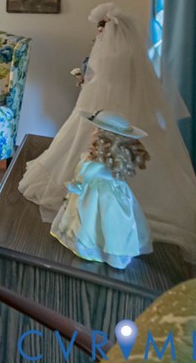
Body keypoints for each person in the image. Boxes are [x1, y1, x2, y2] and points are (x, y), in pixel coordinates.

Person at [19, 2, 196, 266]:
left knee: (84, 150)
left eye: (100, 30)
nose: (98, 36)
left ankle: (92, 217)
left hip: (105, 105)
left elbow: (101, 81)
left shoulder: (111, 54)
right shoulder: (131, 53)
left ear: (106, 30)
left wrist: (87, 83)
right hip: (116, 105)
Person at [50, 111, 152, 270]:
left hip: (99, 197)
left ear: (105, 139)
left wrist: (78, 184)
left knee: (100, 221)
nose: (93, 133)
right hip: (101, 194)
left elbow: (85, 175)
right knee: (100, 220)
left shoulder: (97, 164)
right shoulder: (102, 160)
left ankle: (104, 249)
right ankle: (105, 246)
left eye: (97, 131)